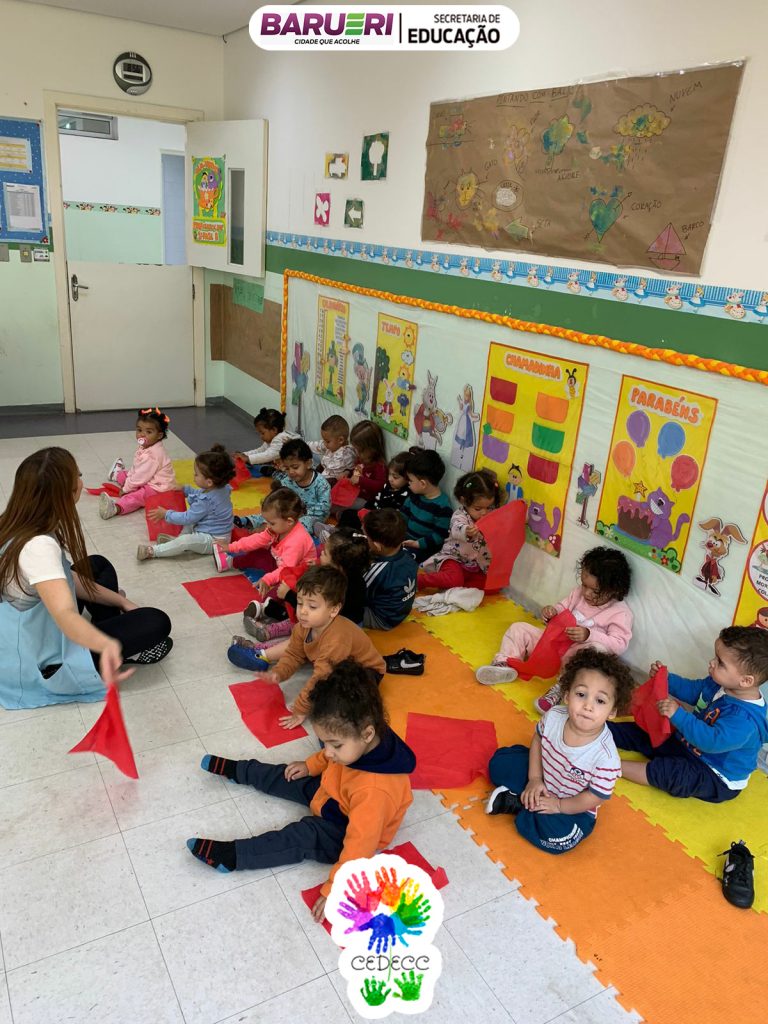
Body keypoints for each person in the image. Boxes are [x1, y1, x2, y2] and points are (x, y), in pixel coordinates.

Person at [187, 659, 416, 922]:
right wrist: (310, 765)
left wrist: (335, 889)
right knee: (288, 774)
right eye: (324, 742)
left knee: (301, 835)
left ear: (367, 734)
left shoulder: (375, 792)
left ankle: (233, 856)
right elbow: (329, 758)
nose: (328, 751)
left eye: (335, 745)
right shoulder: (359, 741)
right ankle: (239, 771)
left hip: (344, 829)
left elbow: (359, 847)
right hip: (334, 792)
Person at [0, 448, 172, 709]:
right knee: (156, 621)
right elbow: (65, 614)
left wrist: (122, 602)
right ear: (65, 493)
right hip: (42, 661)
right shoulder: (39, 547)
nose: (82, 480)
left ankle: (110, 625)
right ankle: (109, 647)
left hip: (28, 629)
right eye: (77, 476)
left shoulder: (16, 522)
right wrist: (106, 645)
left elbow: (64, 578)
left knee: (97, 565)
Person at [485, 649, 633, 854]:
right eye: (581, 694)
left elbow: (594, 797)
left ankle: (517, 803)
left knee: (559, 839)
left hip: (573, 805)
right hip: (543, 775)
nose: (588, 706)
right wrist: (535, 779)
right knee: (498, 762)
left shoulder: (606, 758)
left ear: (613, 711)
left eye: (600, 701)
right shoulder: (554, 716)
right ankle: (530, 799)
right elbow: (538, 740)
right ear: (566, 695)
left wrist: (559, 806)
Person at [609, 627, 768, 802]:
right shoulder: (720, 684)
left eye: (720, 663)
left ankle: (609, 768)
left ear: (746, 680)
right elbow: (694, 690)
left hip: (714, 773)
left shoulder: (744, 720)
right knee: (647, 731)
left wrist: (679, 716)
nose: (712, 663)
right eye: (715, 657)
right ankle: (598, 731)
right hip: (688, 743)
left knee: (672, 773)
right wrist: (667, 679)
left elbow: (711, 741)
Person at [476, 546, 633, 714]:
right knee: (518, 629)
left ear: (614, 590)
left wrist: (589, 635)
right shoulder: (578, 593)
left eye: (595, 591)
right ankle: (504, 664)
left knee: (596, 650)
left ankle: (563, 687)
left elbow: (619, 644)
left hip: (575, 658)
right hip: (552, 645)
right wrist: (552, 612)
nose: (586, 593)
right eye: (584, 585)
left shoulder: (620, 613)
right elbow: (562, 608)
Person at [228, 566, 386, 729]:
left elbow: (321, 677)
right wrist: (279, 673)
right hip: (337, 663)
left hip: (366, 671)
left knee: (336, 706)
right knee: (324, 681)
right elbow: (293, 654)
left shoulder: (337, 639)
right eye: (300, 603)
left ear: (334, 610)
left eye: (312, 607)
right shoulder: (302, 626)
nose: (302, 611)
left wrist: (301, 709)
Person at [241, 526, 370, 661]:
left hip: (336, 636)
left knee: (301, 639)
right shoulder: (347, 575)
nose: (321, 553)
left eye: (325, 553)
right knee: (301, 622)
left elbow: (313, 611)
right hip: (332, 622)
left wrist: (288, 595)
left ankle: (261, 652)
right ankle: (270, 631)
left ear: (338, 564)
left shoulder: (336, 586)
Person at [138, 444, 235, 560]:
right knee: (189, 526)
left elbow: (187, 518)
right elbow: (201, 494)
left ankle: (152, 551)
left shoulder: (206, 501)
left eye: (196, 474)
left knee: (186, 539)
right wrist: (186, 489)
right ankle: (175, 542)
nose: (194, 476)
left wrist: (166, 514)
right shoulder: (221, 488)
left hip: (214, 541)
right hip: (211, 531)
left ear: (209, 482)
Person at [213, 489, 316, 591]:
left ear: (289, 521)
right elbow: (257, 539)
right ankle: (230, 562)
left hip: (297, 575)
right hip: (280, 561)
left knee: (283, 589)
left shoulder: (297, 542)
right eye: (267, 522)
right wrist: (231, 547)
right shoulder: (278, 528)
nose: (268, 526)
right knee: (257, 552)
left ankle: (270, 598)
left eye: (272, 523)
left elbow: (286, 570)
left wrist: (268, 579)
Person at [418, 469, 499, 590]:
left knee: (494, 586)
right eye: (478, 509)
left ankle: (455, 584)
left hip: (475, 565)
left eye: (489, 507)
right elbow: (457, 527)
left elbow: (505, 517)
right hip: (453, 559)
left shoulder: (490, 514)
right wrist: (466, 530)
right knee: (455, 579)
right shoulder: (460, 515)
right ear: (463, 501)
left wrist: (521, 516)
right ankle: (420, 580)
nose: (484, 513)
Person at [236, 439, 331, 536]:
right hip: (288, 512)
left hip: (310, 516)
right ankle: (245, 521)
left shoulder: (321, 484)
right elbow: (279, 499)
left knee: (303, 524)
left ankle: (271, 531)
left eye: (295, 467)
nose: (291, 472)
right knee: (270, 513)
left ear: (308, 464)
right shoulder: (287, 480)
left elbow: (324, 508)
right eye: (287, 468)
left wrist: (302, 513)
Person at [99, 407, 177, 519]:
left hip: (158, 489)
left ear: (159, 435)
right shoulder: (146, 446)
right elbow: (137, 468)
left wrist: (125, 489)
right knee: (126, 475)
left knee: (136, 496)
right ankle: (117, 474)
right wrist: (129, 480)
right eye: (139, 430)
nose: (142, 435)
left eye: (148, 432)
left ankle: (116, 508)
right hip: (147, 478)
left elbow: (140, 477)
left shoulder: (153, 455)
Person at [361, 509, 417, 630]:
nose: (364, 539)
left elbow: (358, 593)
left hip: (382, 618)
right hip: (400, 612)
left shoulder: (377, 571)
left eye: (366, 537)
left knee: (336, 607)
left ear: (377, 546)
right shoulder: (409, 557)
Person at [401, 447, 453, 563]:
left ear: (423, 483)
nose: (408, 483)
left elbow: (439, 536)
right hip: (405, 541)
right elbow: (402, 517)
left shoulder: (443, 508)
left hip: (424, 549)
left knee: (403, 560)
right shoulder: (414, 496)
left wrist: (417, 544)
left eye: (410, 480)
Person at [337, 451, 410, 530]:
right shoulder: (387, 485)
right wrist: (365, 509)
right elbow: (375, 499)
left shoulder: (404, 496)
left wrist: (370, 516)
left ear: (407, 478)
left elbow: (390, 519)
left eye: (395, 477)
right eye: (389, 474)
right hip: (372, 515)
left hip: (380, 525)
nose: (390, 479)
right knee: (347, 514)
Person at [234, 408, 299, 470]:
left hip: (295, 470)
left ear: (274, 429)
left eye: (262, 433)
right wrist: (244, 454)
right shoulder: (272, 438)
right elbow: (261, 450)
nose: (261, 436)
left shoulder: (281, 438)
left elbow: (269, 455)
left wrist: (248, 458)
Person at [309, 414, 357, 483]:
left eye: (327, 441)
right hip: (324, 472)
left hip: (333, 481)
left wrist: (347, 472)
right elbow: (317, 445)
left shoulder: (347, 454)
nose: (325, 443)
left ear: (340, 440)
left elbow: (352, 468)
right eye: (324, 440)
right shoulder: (330, 446)